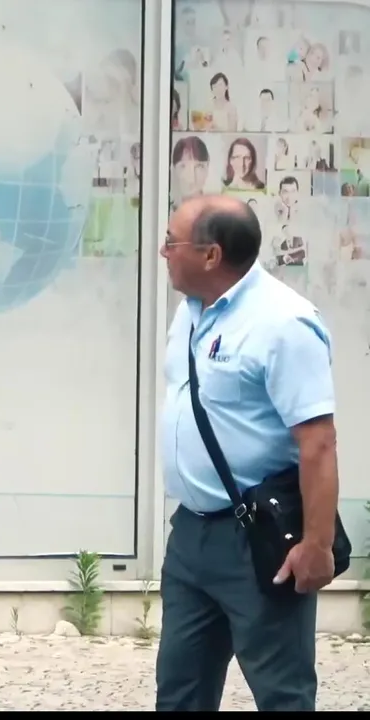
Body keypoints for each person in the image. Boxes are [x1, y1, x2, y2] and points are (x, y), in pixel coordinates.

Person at [157, 195, 339, 711]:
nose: (163, 252)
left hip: (257, 537)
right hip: (191, 534)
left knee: (282, 694)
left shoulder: (284, 324)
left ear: (210, 255)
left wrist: (317, 545)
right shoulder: (190, 312)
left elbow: (318, 442)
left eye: (171, 242)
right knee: (179, 692)